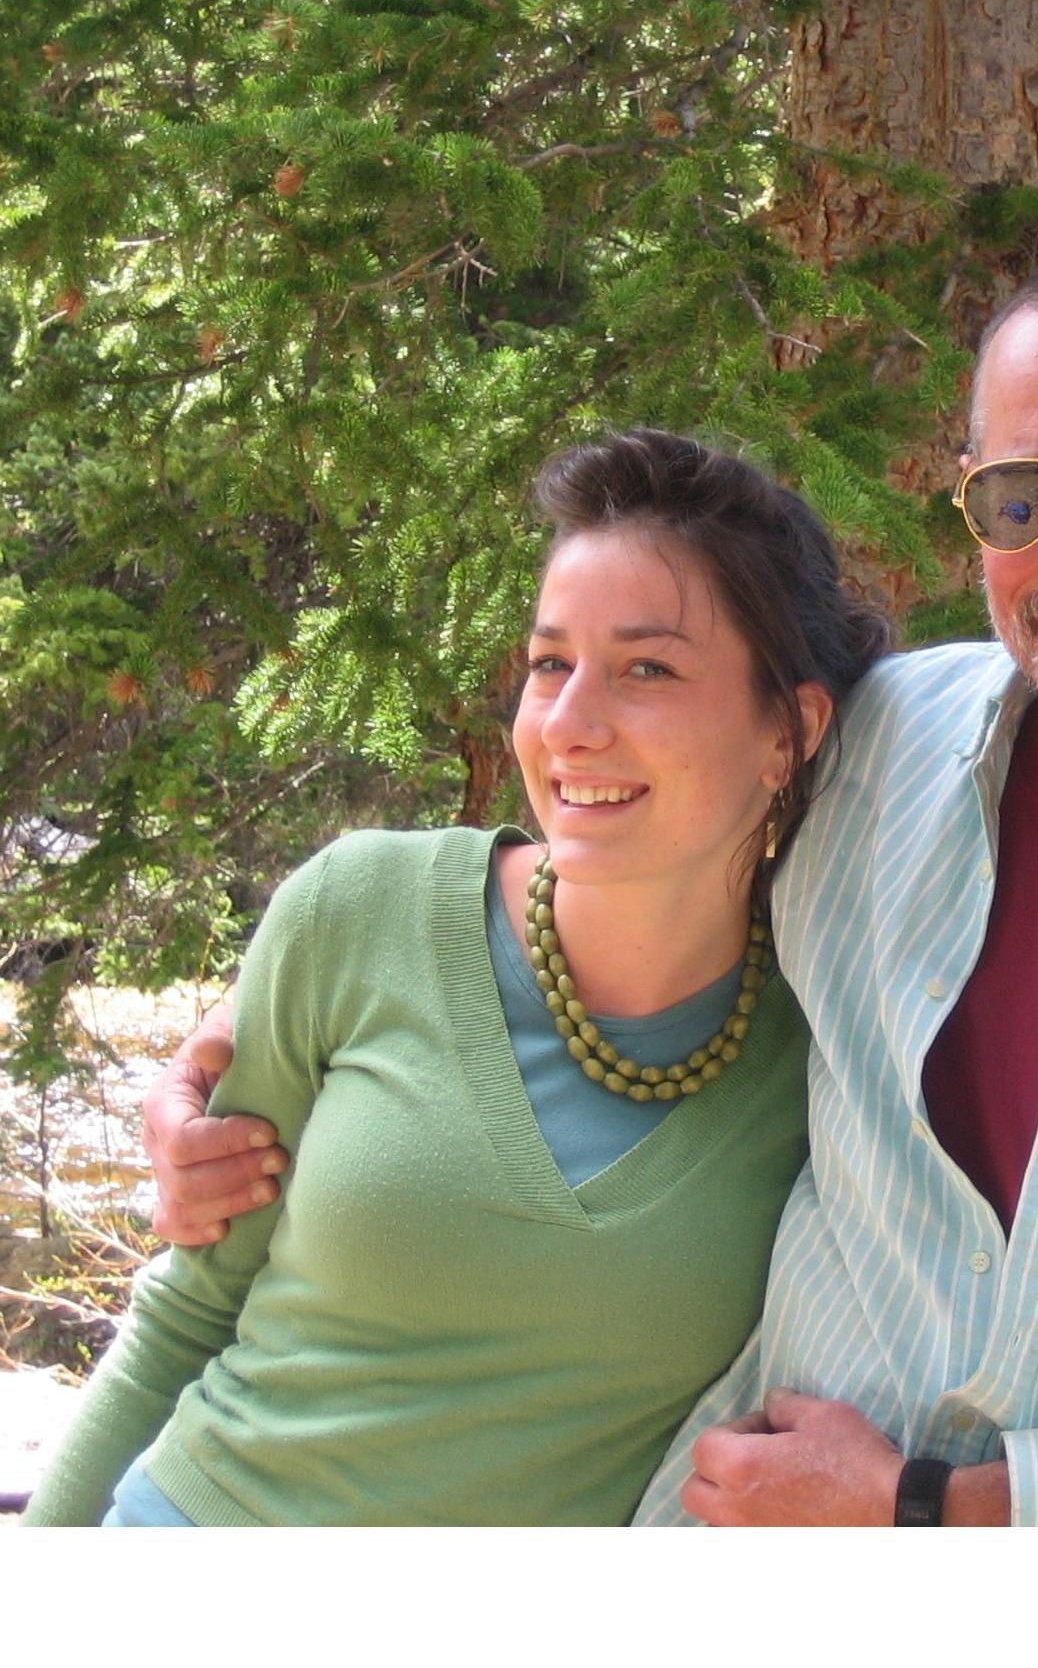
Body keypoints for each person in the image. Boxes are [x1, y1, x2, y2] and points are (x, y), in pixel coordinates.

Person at [141, 249, 1038, 1528]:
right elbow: (624, 878)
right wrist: (245, 1053)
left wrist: (934, 1512)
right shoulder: (875, 744)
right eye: (1024, 497)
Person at [23, 429, 890, 1525]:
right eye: (547, 664)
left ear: (790, 730)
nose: (569, 725)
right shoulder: (357, 909)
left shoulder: (829, 1045)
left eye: (648, 668)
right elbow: (185, 1315)